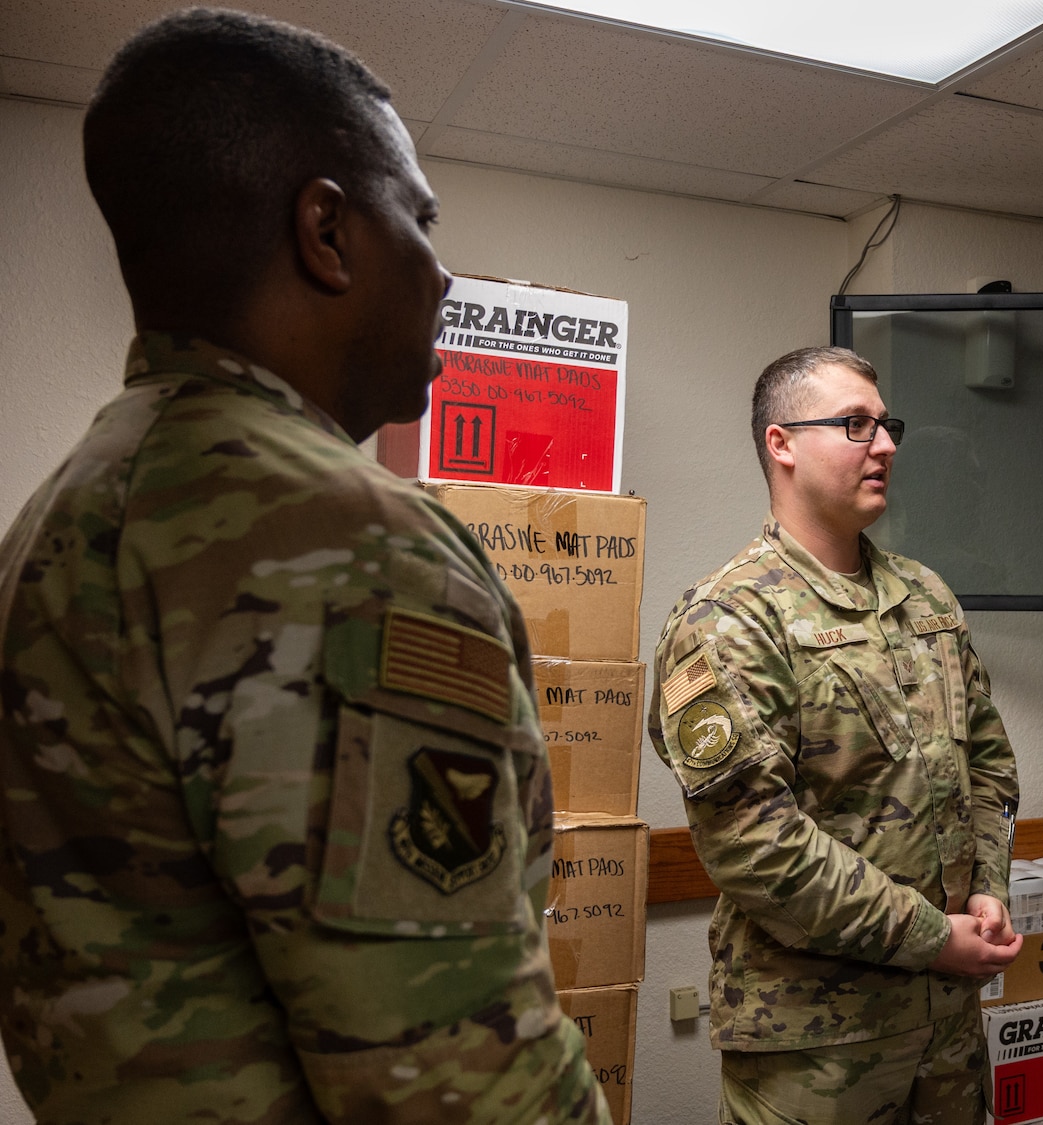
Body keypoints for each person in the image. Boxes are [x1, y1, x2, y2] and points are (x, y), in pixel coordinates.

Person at [0, 10, 605, 1123]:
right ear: (326, 231)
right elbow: (456, 1082)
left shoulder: (66, 511)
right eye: (419, 218)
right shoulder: (350, 546)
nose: (443, 273)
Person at [648, 346, 1022, 1125]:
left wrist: (988, 884)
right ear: (781, 443)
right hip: (817, 1045)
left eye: (886, 426)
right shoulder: (729, 619)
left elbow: (985, 762)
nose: (884, 445)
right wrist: (930, 935)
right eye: (855, 424)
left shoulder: (926, 598)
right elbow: (756, 844)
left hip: (945, 1031)